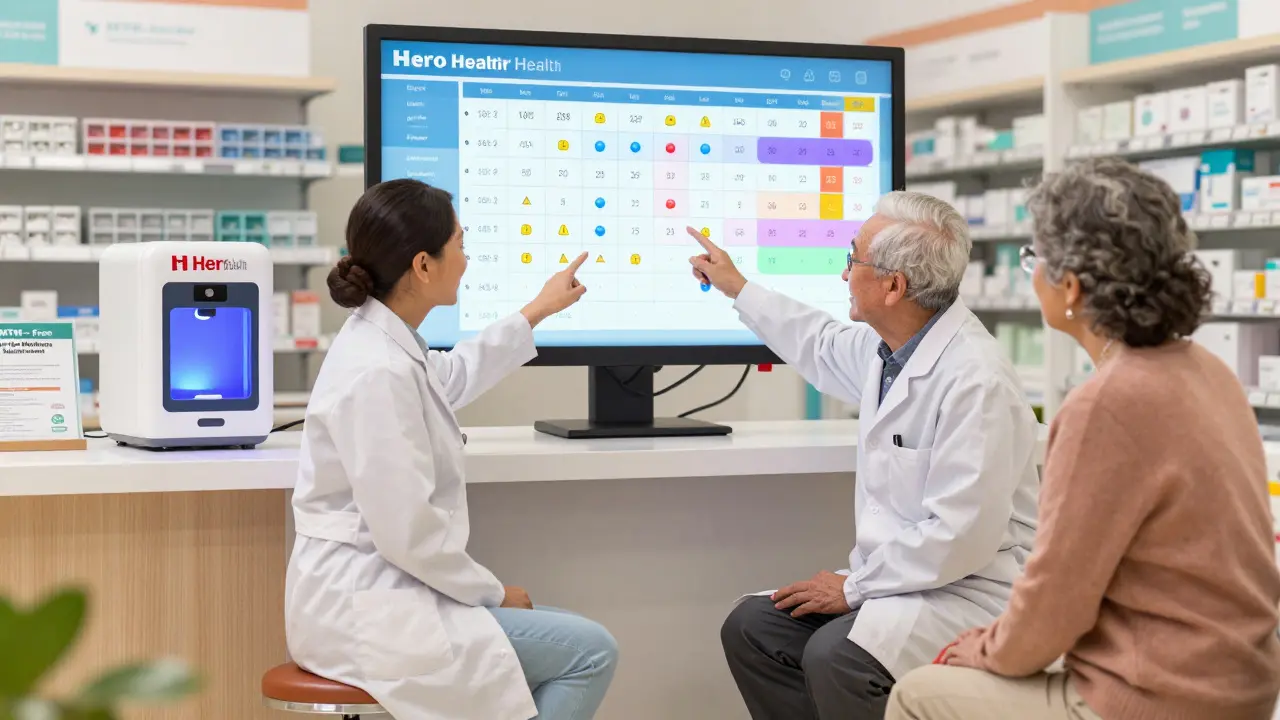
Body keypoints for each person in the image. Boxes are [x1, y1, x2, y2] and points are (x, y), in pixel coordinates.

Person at [886, 158, 1280, 720]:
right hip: (1242, 683)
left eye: (1034, 259)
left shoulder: (1106, 404)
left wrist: (974, 649)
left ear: (1069, 285)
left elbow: (1053, 606)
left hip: (1158, 697)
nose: (1033, 272)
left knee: (917, 693)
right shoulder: (1208, 371)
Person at [692, 190, 1042, 720]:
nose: (843, 273)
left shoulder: (977, 380)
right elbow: (818, 341)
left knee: (839, 658)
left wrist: (854, 588)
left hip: (968, 589)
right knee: (754, 628)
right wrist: (736, 286)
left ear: (893, 286)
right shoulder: (892, 348)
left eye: (852, 258)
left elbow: (961, 535)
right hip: (901, 581)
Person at [285, 179, 618, 720]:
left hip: (387, 595)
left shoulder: (385, 344)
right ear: (423, 265)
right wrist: (492, 592)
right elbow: (407, 533)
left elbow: (453, 376)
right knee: (589, 650)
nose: (466, 259)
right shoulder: (377, 370)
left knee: (564, 638)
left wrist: (536, 310)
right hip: (367, 612)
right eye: (460, 244)